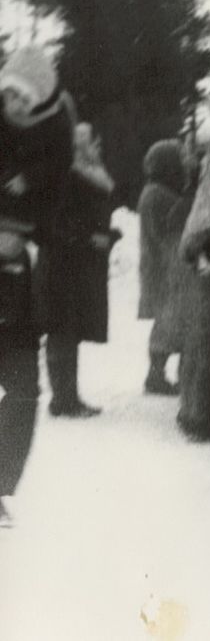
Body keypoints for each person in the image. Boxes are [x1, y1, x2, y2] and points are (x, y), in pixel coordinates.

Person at [0, 47, 75, 527]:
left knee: (25, 393)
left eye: (25, 101)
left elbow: (54, 218)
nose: (15, 107)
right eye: (9, 97)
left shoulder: (53, 151)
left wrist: (22, 235)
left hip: (17, 295)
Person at [33, 122, 119, 418]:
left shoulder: (90, 174)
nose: (99, 149)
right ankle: (63, 400)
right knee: (62, 330)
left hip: (77, 265)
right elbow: (53, 221)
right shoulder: (66, 175)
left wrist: (107, 235)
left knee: (68, 331)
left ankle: (67, 397)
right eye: (94, 144)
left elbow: (90, 217)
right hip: (61, 264)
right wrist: (89, 238)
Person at [137, 139, 187, 395]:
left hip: (159, 266)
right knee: (170, 322)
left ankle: (156, 374)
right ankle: (156, 376)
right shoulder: (162, 195)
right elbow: (171, 231)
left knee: (167, 321)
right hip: (166, 268)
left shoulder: (153, 191)